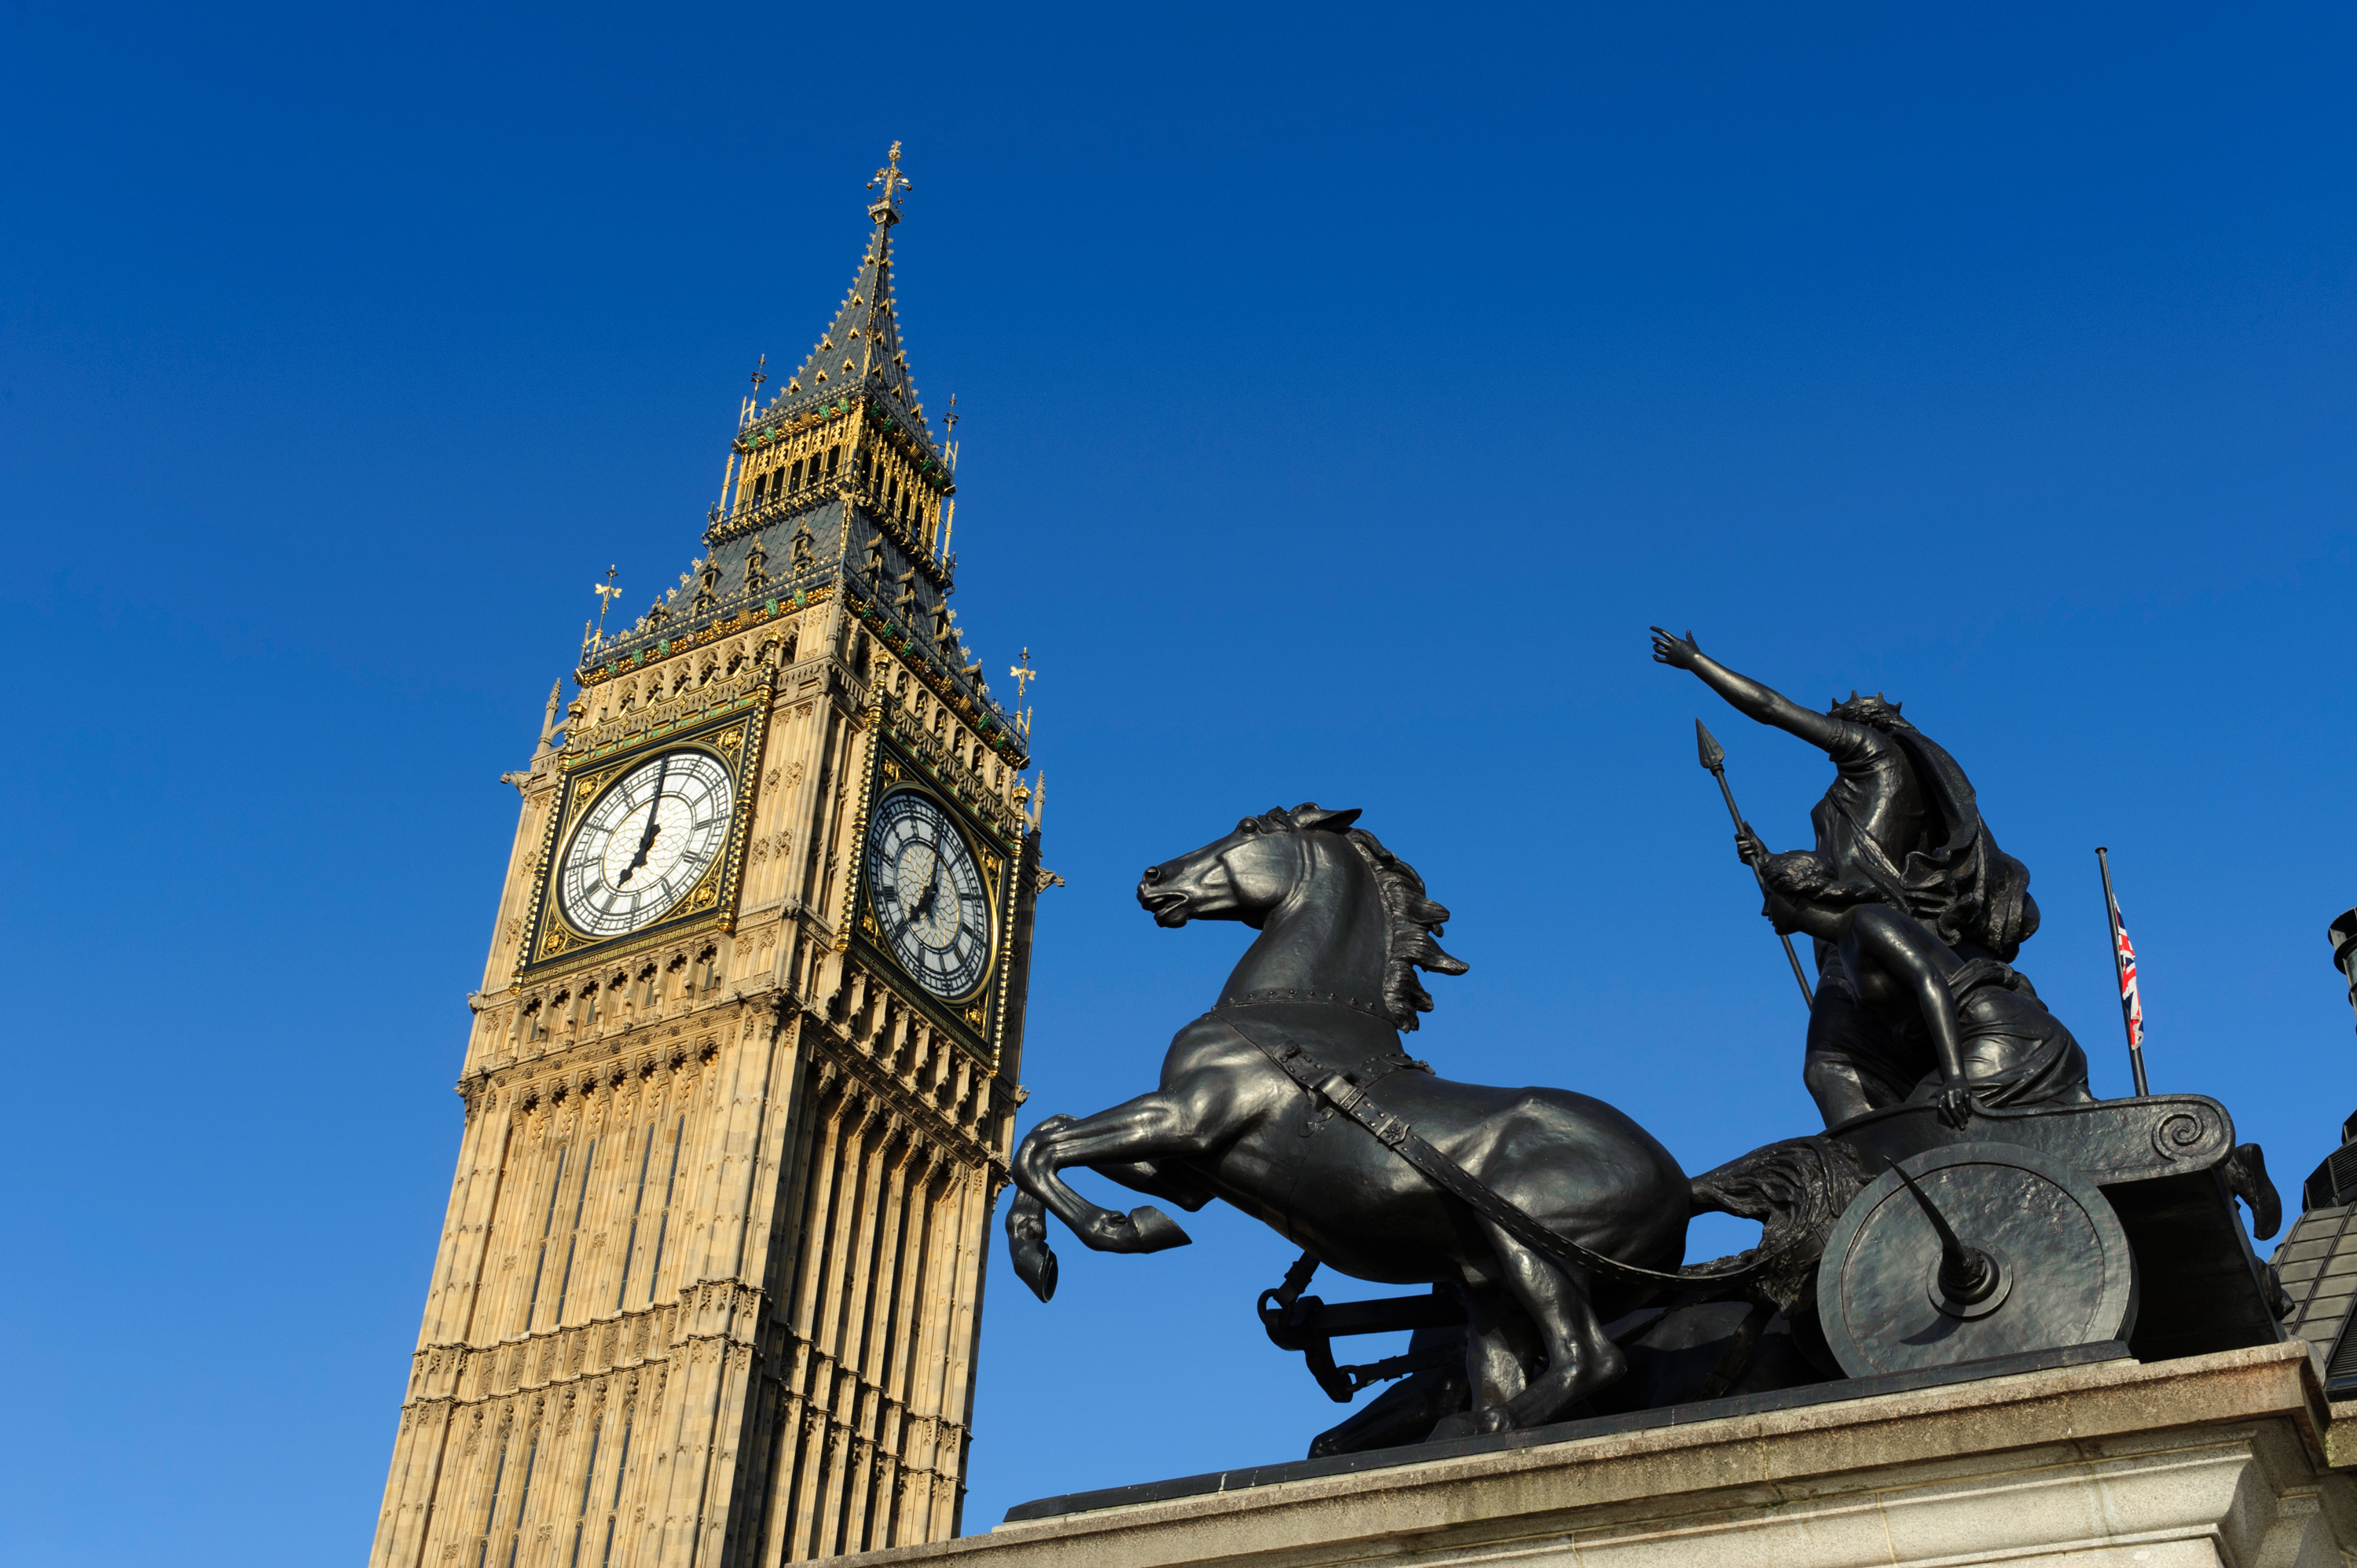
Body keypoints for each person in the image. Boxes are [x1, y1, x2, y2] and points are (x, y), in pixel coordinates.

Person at [1649, 628, 2040, 1126]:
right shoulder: (1867, 788)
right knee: (1841, 1070)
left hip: (1870, 931)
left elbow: (1771, 708)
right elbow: (1831, 866)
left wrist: (1696, 662)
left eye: (1837, 726)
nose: (1828, 733)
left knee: (1831, 1067)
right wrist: (1767, 860)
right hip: (1851, 933)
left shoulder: (1873, 752)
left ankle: (1874, 1159)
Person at [1755, 850, 2091, 1125]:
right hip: (1980, 1038)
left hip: (2007, 1036)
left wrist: (1955, 1077)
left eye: (1770, 897)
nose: (1765, 910)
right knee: (1909, 1121)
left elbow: (1929, 981)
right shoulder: (1844, 944)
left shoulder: (1867, 921)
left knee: (1917, 1121)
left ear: (1795, 893)